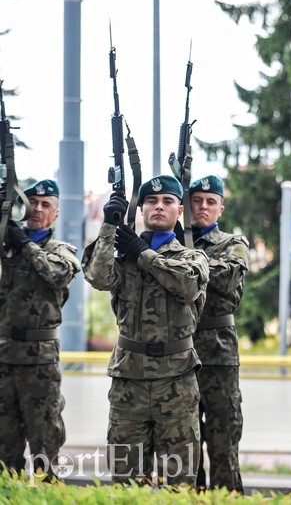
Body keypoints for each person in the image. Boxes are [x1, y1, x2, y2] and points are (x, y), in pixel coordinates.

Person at [82, 174, 209, 486]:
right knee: (126, 482)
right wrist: (109, 227)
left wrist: (142, 253)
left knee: (180, 484)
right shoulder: (121, 256)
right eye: (151, 201)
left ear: (180, 211)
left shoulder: (193, 257)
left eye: (167, 201)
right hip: (129, 383)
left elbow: (187, 284)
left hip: (176, 382)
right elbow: (97, 277)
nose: (158, 207)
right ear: (141, 210)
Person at [0, 180, 80, 479]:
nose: (37, 208)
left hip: (39, 361)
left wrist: (24, 243)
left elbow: (55, 274)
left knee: (45, 444)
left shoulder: (62, 250)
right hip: (4, 355)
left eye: (46, 205)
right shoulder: (6, 243)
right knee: (4, 447)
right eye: (33, 202)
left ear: (55, 214)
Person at [188, 175, 249, 492]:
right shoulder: (174, 241)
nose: (202, 207)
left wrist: (186, 260)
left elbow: (226, 280)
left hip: (219, 354)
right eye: (197, 200)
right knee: (186, 442)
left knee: (223, 438)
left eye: (210, 202)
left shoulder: (233, 244)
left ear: (220, 208)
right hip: (181, 352)